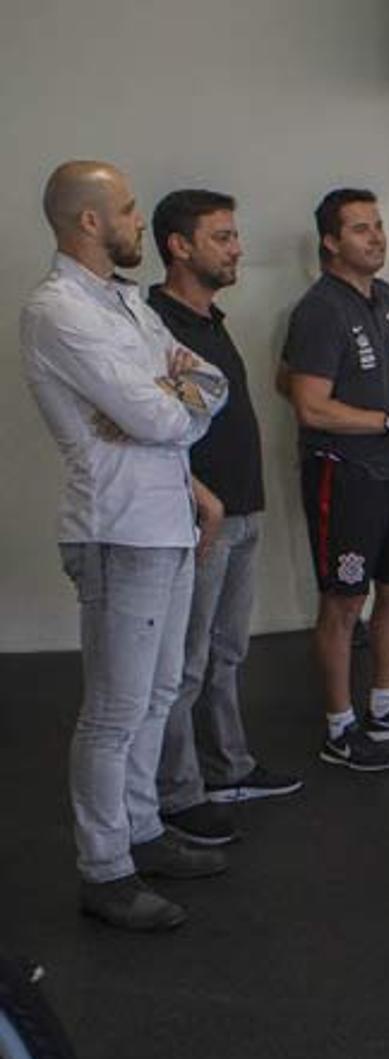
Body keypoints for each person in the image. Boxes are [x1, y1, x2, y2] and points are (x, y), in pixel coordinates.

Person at [22, 161, 231, 930]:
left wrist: (173, 395)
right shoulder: (57, 311)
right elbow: (160, 419)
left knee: (155, 695)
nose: (139, 222)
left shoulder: (127, 303)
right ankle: (105, 868)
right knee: (113, 711)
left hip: (165, 519)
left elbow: (206, 385)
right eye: (130, 211)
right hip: (117, 531)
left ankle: (143, 830)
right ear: (88, 222)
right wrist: (166, 400)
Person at [145, 189, 301, 850]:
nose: (237, 248)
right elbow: (154, 424)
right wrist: (199, 495)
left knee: (226, 652)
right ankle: (179, 793)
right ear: (180, 246)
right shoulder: (154, 324)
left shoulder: (210, 320)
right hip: (198, 516)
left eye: (235, 236)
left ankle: (228, 766)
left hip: (243, 507)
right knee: (184, 662)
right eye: (223, 237)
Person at [284, 187, 389, 771]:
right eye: (360, 229)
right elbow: (308, 405)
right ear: (331, 241)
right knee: (344, 602)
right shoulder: (320, 310)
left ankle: (385, 706)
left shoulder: (385, 300)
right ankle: (339, 725)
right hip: (342, 474)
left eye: (378, 226)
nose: (376, 237)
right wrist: (386, 421)